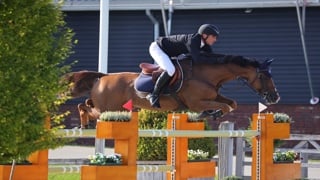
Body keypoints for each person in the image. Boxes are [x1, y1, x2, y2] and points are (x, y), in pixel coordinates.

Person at [148, 24, 220, 108]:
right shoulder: (193, 40)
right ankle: (154, 94)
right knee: (171, 70)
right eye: (214, 37)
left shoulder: (204, 45)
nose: (215, 40)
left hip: (168, 52)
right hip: (158, 48)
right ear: (205, 35)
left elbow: (212, 57)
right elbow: (198, 59)